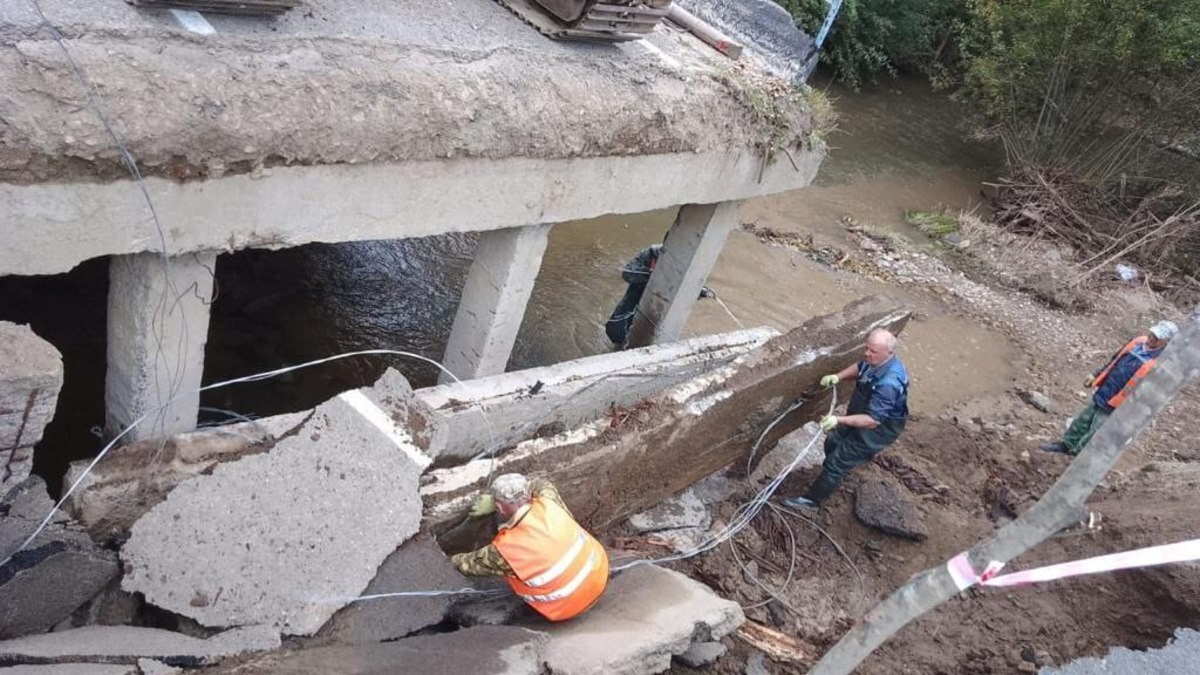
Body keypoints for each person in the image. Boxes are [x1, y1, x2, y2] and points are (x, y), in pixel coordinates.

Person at [451, 473, 609, 622]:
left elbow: (464, 564)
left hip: (568, 606)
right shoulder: (550, 502)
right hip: (600, 575)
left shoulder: (506, 551)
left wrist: (445, 558)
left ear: (499, 508)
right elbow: (541, 483)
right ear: (528, 496)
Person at [781, 329, 909, 510]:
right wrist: (838, 377)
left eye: (873, 351)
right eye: (866, 348)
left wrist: (838, 420)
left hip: (877, 428)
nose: (867, 354)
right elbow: (860, 367)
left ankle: (812, 501)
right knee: (833, 441)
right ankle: (838, 469)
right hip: (860, 413)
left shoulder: (889, 384)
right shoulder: (874, 361)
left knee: (836, 463)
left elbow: (872, 420)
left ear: (889, 353)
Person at [1041, 320, 1178, 456]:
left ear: (1166, 342)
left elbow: (1150, 394)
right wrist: (1096, 375)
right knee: (1082, 421)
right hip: (1105, 390)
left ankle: (1077, 456)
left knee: (1096, 432)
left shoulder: (1160, 363)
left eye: (1157, 338)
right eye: (1152, 334)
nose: (1151, 339)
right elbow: (1114, 361)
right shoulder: (1137, 342)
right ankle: (1066, 445)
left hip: (1118, 403)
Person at [605, 242, 716, 347]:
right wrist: (652, 273)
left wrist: (700, 291)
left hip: (663, 306)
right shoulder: (651, 253)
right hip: (637, 296)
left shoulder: (687, 261)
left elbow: (691, 286)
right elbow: (627, 274)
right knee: (616, 332)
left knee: (654, 340)